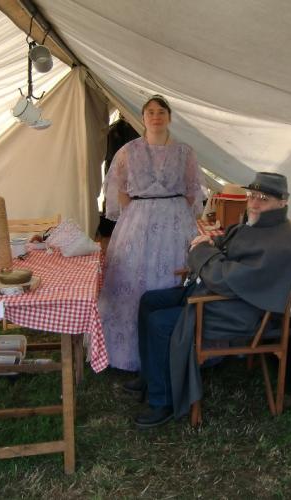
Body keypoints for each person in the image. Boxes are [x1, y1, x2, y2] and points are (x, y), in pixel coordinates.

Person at [131, 172, 291, 428]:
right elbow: (228, 243)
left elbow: (223, 278)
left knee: (160, 323)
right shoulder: (255, 224)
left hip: (239, 312)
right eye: (251, 195)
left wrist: (201, 251)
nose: (253, 203)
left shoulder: (281, 242)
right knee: (149, 301)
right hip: (217, 295)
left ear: (282, 202)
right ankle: (150, 375)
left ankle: (161, 400)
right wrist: (210, 241)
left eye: (263, 199)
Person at [98, 95, 204, 371]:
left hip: (175, 225)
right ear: (143, 117)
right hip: (138, 224)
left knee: (172, 280)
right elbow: (117, 190)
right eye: (150, 112)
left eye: (161, 112)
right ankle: (128, 354)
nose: (156, 117)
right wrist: (138, 216)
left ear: (169, 116)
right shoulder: (128, 151)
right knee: (133, 283)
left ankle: (173, 352)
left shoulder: (185, 152)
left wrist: (176, 218)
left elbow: (194, 192)